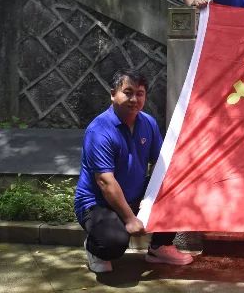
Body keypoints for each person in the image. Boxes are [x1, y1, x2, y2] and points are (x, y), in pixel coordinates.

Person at [74, 70, 193, 273]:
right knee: (113, 242)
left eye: (140, 93)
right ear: (113, 94)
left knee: (178, 188)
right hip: (97, 203)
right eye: (128, 93)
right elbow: (105, 182)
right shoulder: (99, 130)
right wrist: (130, 219)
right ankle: (94, 248)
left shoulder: (148, 123)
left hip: (134, 195)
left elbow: (162, 164)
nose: (134, 99)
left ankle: (159, 247)